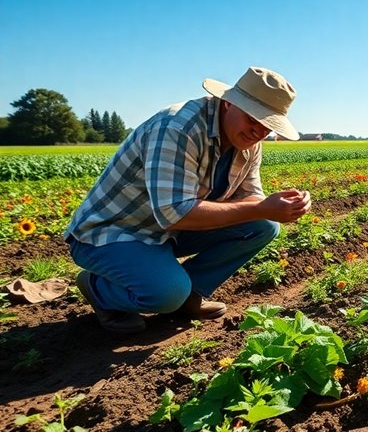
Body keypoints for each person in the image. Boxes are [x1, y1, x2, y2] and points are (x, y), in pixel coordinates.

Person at [65, 67, 311, 333]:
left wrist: (277, 206)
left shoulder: (249, 143)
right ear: (229, 103)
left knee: (263, 225)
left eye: (268, 125)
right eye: (254, 118)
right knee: (166, 295)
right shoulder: (178, 128)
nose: (259, 131)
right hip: (114, 233)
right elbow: (174, 212)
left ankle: (190, 295)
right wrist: (261, 207)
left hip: (168, 231)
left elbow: (250, 195)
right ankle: (98, 289)